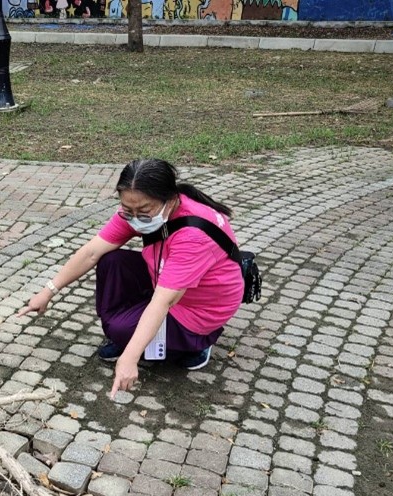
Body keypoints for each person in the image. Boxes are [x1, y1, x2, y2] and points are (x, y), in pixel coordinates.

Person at [19, 158, 244, 398]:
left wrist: (129, 358)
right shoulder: (139, 210)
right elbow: (92, 252)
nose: (136, 217)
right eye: (128, 210)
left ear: (169, 200)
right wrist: (48, 291)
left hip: (199, 307)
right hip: (166, 276)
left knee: (120, 329)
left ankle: (197, 344)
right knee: (111, 261)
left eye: (143, 212)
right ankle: (132, 334)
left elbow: (163, 302)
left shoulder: (193, 235)